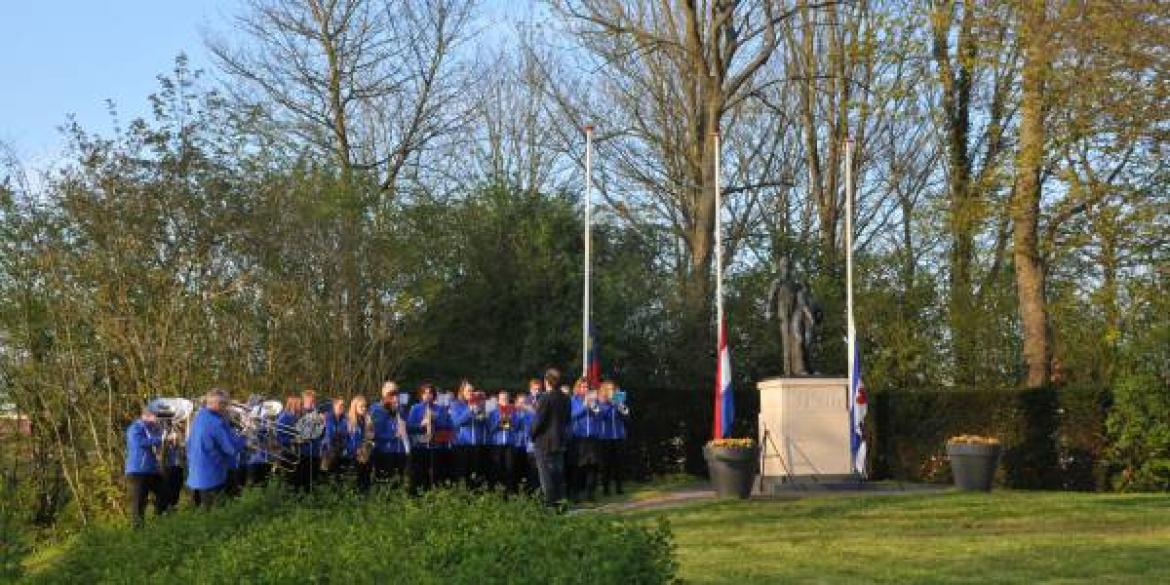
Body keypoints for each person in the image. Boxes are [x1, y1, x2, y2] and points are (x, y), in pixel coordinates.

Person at [186, 389, 246, 509]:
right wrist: (245, 438)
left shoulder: (199, 417)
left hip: (199, 473)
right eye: (225, 405)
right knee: (216, 511)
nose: (227, 408)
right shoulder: (215, 422)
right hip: (212, 474)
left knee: (205, 509)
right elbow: (230, 449)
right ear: (218, 405)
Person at [531, 367, 571, 507]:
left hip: (544, 442)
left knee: (546, 476)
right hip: (560, 440)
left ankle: (549, 505)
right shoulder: (566, 398)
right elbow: (567, 419)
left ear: (547, 381)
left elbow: (538, 421)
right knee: (558, 474)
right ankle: (561, 503)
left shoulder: (545, 398)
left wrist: (532, 435)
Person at [124, 407, 167, 528]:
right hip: (138, 470)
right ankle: (137, 529)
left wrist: (167, 439)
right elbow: (140, 442)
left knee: (164, 492)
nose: (158, 419)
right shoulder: (135, 428)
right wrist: (161, 440)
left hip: (151, 469)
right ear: (146, 416)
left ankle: (160, 519)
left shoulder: (153, 428)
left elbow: (159, 441)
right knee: (139, 501)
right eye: (156, 416)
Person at [407, 383, 453, 492]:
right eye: (425, 393)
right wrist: (421, 425)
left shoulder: (440, 409)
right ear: (421, 395)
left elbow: (448, 426)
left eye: (430, 393)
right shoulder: (415, 408)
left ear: (434, 395)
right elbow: (409, 428)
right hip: (420, 445)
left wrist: (435, 419)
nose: (428, 395)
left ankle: (434, 495)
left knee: (435, 474)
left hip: (435, 446)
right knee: (419, 474)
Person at [450, 380, 490, 488]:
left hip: (476, 444)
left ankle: (473, 499)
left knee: (474, 474)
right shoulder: (456, 405)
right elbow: (456, 422)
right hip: (461, 444)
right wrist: (469, 410)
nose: (471, 393)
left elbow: (485, 426)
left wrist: (483, 414)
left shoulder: (477, 404)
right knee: (461, 474)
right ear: (462, 391)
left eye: (472, 391)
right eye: (468, 391)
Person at [570, 379, 605, 501]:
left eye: (587, 387)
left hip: (593, 437)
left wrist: (595, 408)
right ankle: (575, 494)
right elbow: (572, 416)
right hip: (579, 437)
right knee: (578, 467)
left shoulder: (593, 400)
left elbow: (601, 416)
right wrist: (585, 406)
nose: (585, 389)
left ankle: (590, 494)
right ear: (578, 388)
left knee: (593, 466)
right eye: (583, 387)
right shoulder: (573, 400)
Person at [370, 381, 410, 487]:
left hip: (400, 450)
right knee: (384, 482)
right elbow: (375, 433)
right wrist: (393, 436)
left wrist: (422, 427)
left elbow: (407, 427)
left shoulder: (400, 408)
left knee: (399, 481)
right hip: (384, 451)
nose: (394, 395)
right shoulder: (376, 409)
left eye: (396, 392)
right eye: (391, 392)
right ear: (384, 393)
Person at [597, 380, 629, 496]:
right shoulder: (601, 403)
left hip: (619, 437)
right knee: (606, 464)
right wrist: (610, 404)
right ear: (605, 391)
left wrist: (619, 405)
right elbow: (601, 416)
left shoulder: (619, 402)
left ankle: (619, 487)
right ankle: (606, 489)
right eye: (609, 389)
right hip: (605, 438)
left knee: (619, 464)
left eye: (613, 389)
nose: (612, 391)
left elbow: (626, 416)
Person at [488, 390, 519, 493]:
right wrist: (500, 422)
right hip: (497, 444)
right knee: (496, 470)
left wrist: (509, 422)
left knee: (510, 469)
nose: (504, 400)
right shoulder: (493, 413)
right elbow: (491, 429)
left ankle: (509, 493)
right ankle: (496, 493)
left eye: (506, 398)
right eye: (502, 399)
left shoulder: (513, 412)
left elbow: (516, 428)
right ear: (498, 400)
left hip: (509, 444)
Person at [346, 395, 376, 493]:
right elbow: (348, 439)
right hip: (355, 455)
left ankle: (365, 500)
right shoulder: (349, 421)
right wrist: (355, 450)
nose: (364, 409)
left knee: (366, 478)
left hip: (367, 453)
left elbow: (372, 436)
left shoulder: (367, 419)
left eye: (365, 406)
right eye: (361, 406)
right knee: (356, 479)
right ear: (355, 407)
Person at [275, 395, 303, 487]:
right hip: (284, 451)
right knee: (285, 478)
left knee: (293, 479)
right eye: (300, 404)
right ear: (294, 405)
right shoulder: (284, 417)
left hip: (293, 452)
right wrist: (293, 440)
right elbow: (278, 437)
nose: (302, 406)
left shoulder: (296, 417)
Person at [321, 396, 349, 484]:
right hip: (328, 449)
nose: (342, 407)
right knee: (327, 474)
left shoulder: (345, 418)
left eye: (343, 405)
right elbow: (327, 434)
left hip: (340, 448)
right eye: (340, 405)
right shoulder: (327, 417)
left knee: (339, 474)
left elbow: (346, 434)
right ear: (334, 405)